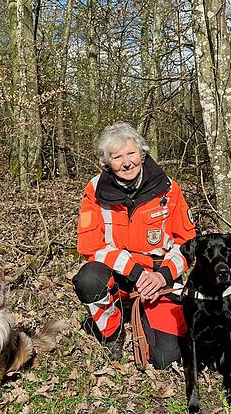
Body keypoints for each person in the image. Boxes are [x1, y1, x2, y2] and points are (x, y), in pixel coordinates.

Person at [72, 122, 196, 369]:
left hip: (159, 276)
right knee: (87, 278)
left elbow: (187, 243)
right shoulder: (94, 190)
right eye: (117, 157)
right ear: (106, 162)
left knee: (165, 359)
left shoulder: (169, 188)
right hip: (119, 275)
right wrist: (135, 272)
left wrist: (162, 276)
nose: (126, 162)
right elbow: (89, 244)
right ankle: (111, 332)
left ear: (142, 153)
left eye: (131, 153)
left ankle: (149, 316)